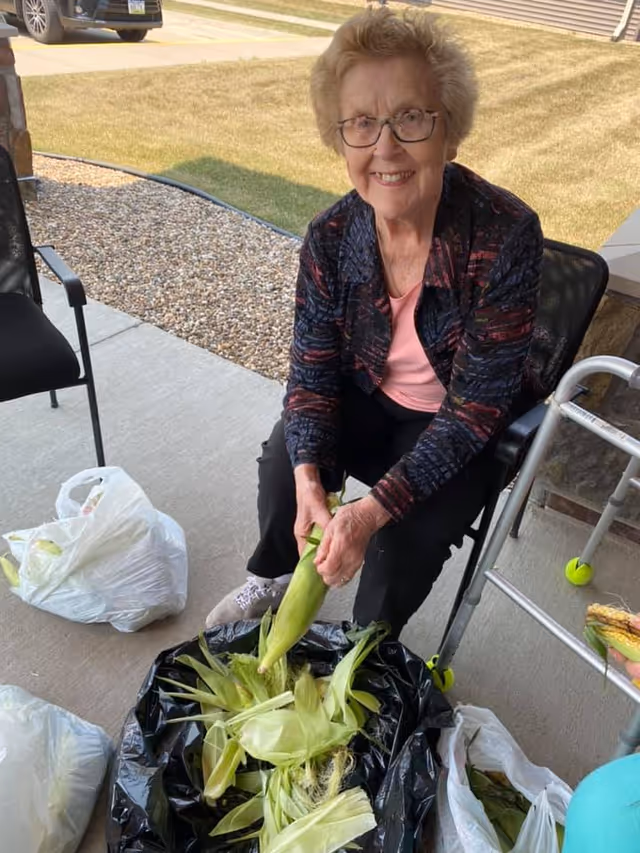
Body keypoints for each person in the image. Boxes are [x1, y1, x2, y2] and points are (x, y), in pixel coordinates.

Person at [206, 6, 543, 637]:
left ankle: (366, 646)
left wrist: (370, 512)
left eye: (410, 117)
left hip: (457, 426)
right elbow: (310, 376)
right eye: (362, 123)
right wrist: (312, 475)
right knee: (287, 458)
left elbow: (476, 411)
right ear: (340, 137)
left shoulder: (505, 235)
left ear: (449, 128)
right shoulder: (331, 235)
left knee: (406, 539)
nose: (385, 148)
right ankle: (273, 577)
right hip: (371, 398)